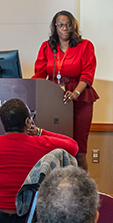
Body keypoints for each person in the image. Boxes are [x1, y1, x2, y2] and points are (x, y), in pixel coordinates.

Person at [33, 10, 99, 169]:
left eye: (68, 25)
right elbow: (39, 75)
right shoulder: (47, 47)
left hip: (80, 101)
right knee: (54, 148)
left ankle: (81, 184)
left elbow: (87, 74)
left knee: (79, 151)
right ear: (55, 27)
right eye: (61, 25)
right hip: (54, 103)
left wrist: (76, 92)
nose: (65, 28)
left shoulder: (85, 46)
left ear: (73, 26)